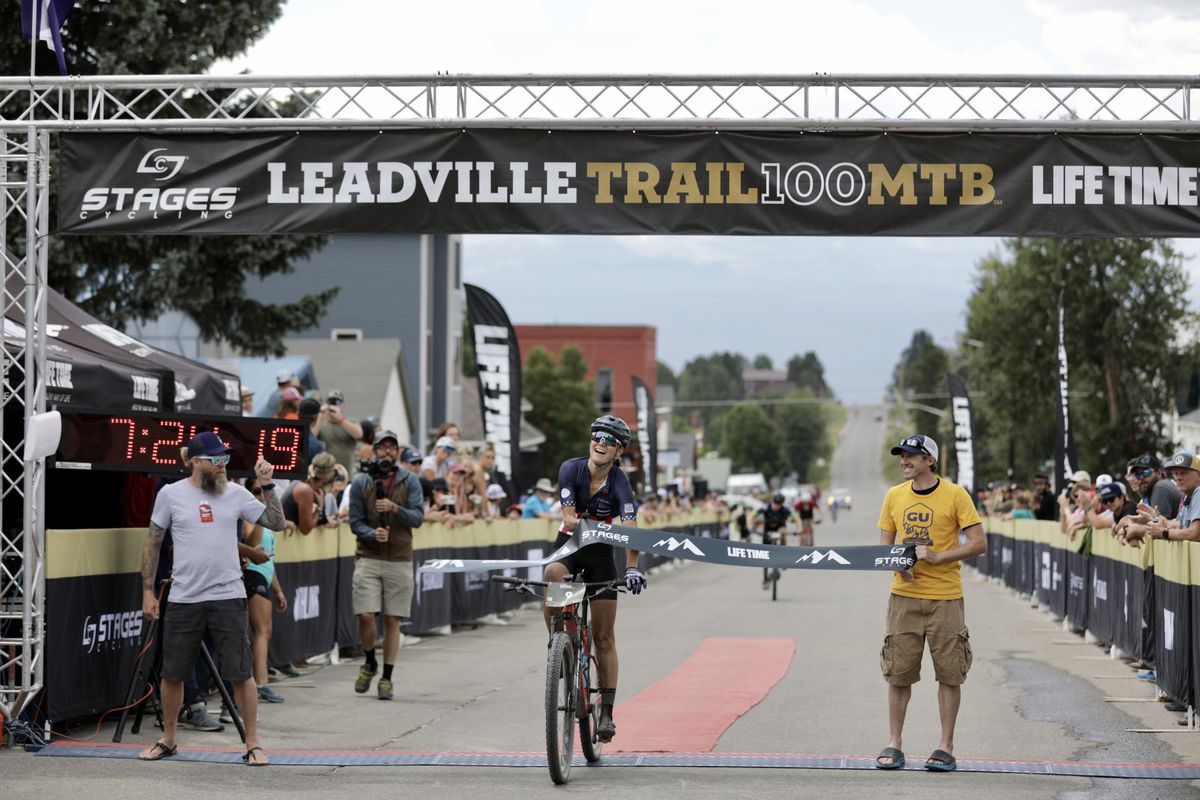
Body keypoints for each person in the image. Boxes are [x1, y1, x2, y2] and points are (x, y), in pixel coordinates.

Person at [138, 432, 285, 766]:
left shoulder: (235, 493)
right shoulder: (171, 494)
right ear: (195, 461)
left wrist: (267, 484)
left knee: (240, 672)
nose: (222, 466)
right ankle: (169, 739)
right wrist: (148, 591)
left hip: (228, 596)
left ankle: (252, 743)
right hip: (184, 598)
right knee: (173, 672)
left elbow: (276, 522)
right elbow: (152, 543)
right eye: (215, 459)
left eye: (225, 460)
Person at [875, 434, 985, 773]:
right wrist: (898, 564)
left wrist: (939, 557)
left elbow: (979, 543)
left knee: (950, 674)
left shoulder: (955, 495)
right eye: (902, 456)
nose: (904, 461)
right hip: (904, 597)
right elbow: (885, 549)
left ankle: (945, 746)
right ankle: (895, 743)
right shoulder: (894, 496)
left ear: (929, 460)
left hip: (946, 597)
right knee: (898, 673)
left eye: (911, 456)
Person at [542, 415, 642, 744]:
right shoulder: (571, 468)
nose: (602, 442)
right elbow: (568, 517)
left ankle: (609, 713)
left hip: (600, 554)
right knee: (552, 574)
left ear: (619, 451)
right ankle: (558, 643)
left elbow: (630, 527)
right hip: (570, 544)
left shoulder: (620, 483)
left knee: (603, 636)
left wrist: (631, 567)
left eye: (611, 440)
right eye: (598, 436)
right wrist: (579, 523)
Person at [347, 429, 424, 700]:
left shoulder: (410, 481)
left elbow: (417, 518)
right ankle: (369, 660)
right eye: (383, 447)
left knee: (393, 620)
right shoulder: (360, 482)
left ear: (398, 452)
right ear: (374, 450)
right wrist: (371, 533)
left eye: (392, 447)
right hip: (368, 555)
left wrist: (394, 509)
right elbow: (354, 521)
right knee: (366, 614)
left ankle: (387, 678)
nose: (387, 452)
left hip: (400, 558)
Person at [242, 475, 288, 705]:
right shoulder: (248, 517)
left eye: (263, 492)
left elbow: (269, 560)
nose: (260, 496)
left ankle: (259, 681)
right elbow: (250, 544)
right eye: (255, 491)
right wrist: (260, 515)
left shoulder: (265, 522)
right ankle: (260, 683)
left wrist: (278, 590)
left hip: (263, 575)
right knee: (261, 631)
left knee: (264, 631)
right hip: (251, 574)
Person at [281, 452, 338, 534]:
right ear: (329, 474)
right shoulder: (305, 490)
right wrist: (320, 507)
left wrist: (326, 520)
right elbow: (305, 529)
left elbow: (309, 519)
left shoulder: (305, 484)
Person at [753, 493, 796, 589]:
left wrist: (800, 529)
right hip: (767, 532)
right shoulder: (765, 508)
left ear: (782, 503)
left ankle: (784, 555)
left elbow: (796, 518)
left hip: (780, 530)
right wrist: (749, 525)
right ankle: (765, 578)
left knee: (783, 531)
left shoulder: (785, 510)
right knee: (765, 558)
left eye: (779, 503)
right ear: (772, 501)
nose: (777, 505)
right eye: (776, 503)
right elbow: (752, 515)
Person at [317, 390, 364, 472]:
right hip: (326, 471)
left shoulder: (350, 422)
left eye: (337, 403)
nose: (334, 406)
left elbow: (359, 434)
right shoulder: (321, 423)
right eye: (331, 403)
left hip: (345, 472)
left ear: (342, 406)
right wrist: (320, 415)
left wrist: (341, 419)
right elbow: (311, 436)